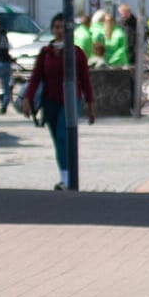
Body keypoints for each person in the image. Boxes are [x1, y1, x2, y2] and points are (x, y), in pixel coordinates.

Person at [19, 13, 95, 190]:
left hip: (71, 100)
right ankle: (64, 176)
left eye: (62, 27)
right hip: (50, 101)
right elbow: (36, 77)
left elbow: (85, 80)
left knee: (63, 136)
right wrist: (28, 99)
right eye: (56, 27)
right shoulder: (46, 52)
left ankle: (69, 178)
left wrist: (91, 105)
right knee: (57, 139)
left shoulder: (77, 53)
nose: (59, 31)